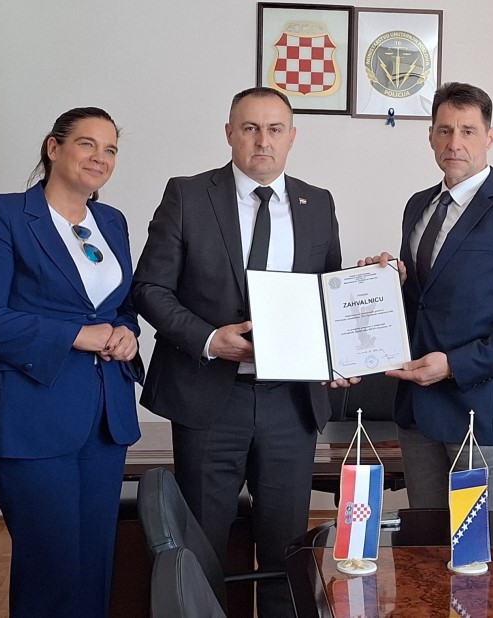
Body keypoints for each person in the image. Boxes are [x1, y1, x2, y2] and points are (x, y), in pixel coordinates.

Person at [132, 87, 348, 617]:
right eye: (250, 128)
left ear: (292, 137)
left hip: (290, 403)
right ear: (229, 133)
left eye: (275, 130)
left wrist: (355, 327)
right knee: (202, 546)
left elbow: (330, 297)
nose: (262, 141)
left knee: (286, 550)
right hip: (209, 399)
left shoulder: (318, 202)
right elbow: (150, 288)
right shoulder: (188, 195)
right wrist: (210, 340)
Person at [0, 107, 144, 617]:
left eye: (110, 149)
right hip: (31, 419)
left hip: (105, 419)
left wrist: (126, 334)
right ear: (54, 147)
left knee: (94, 571)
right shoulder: (5, 214)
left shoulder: (112, 221)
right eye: (87, 144)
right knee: (51, 575)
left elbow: (118, 308)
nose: (100, 157)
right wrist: (77, 336)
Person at [362, 82, 493, 513]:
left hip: (488, 418)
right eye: (444, 130)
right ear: (431, 136)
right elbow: (425, 301)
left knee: (486, 550)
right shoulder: (418, 206)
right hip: (419, 414)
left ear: (489, 137)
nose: (454, 143)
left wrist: (455, 365)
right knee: (426, 545)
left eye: (468, 131)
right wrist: (382, 284)